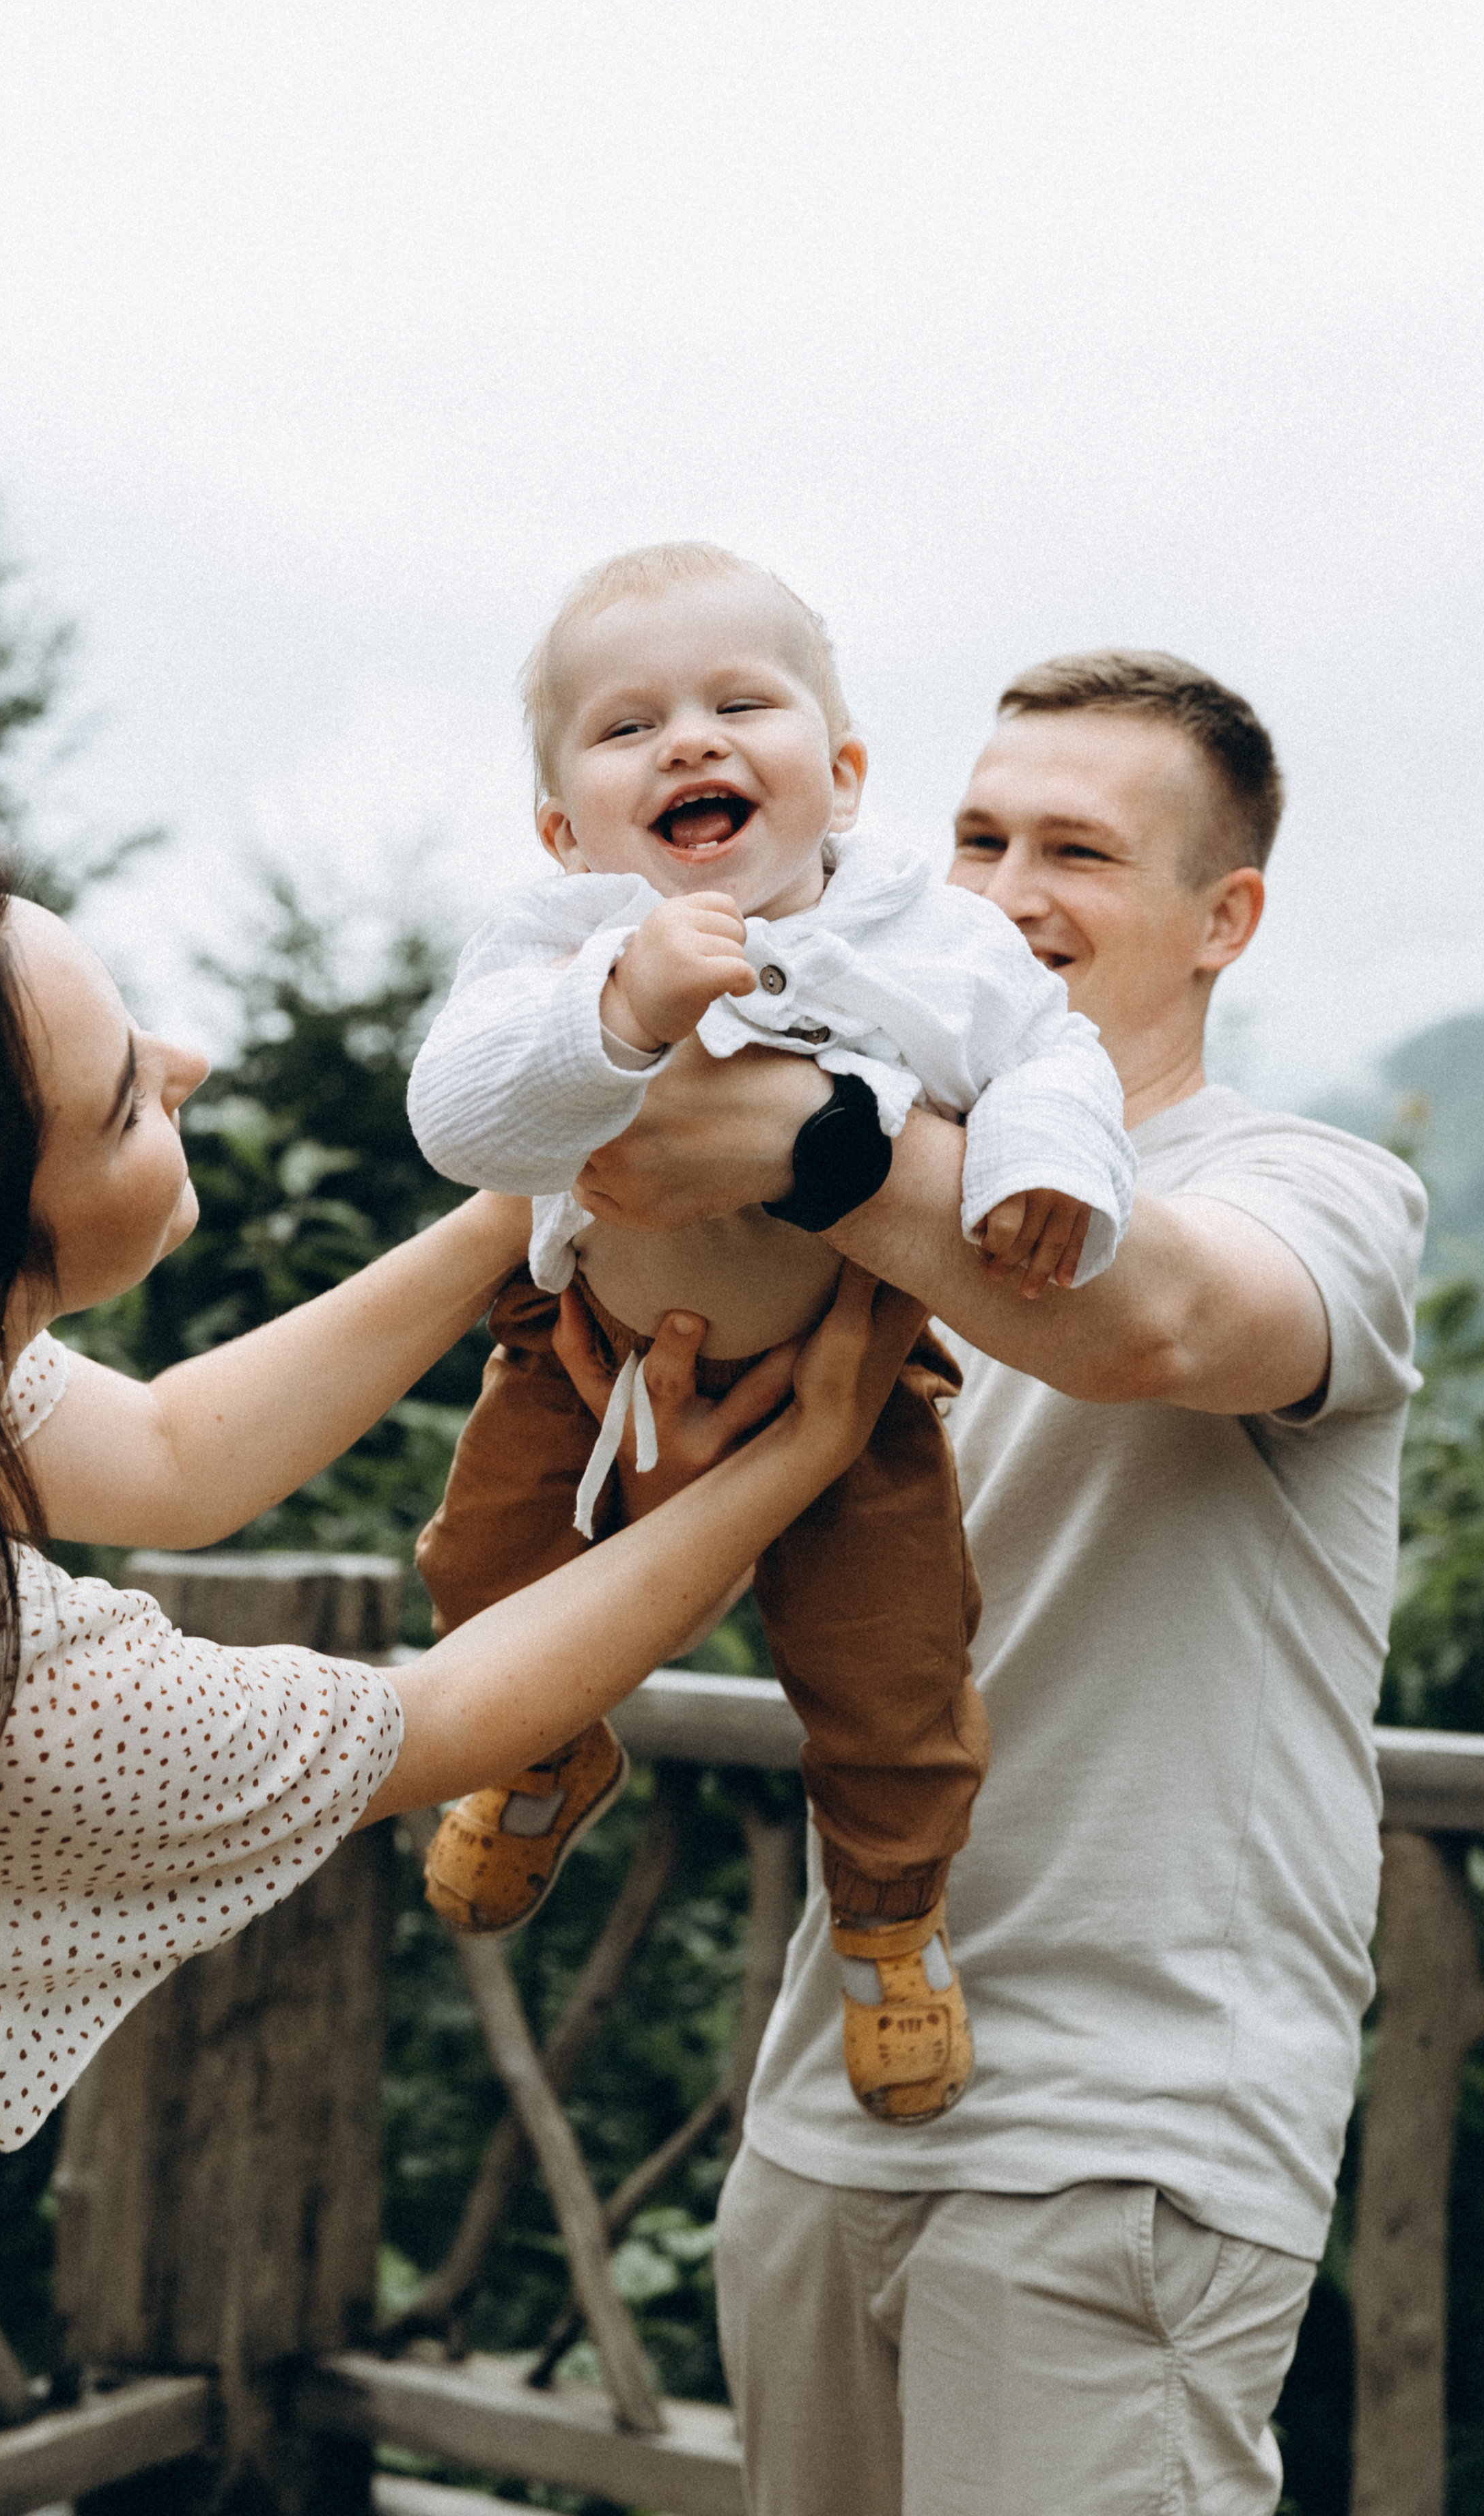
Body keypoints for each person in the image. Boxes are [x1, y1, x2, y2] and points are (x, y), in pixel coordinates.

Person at [570, 650, 1428, 2515]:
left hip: (1131, 2134)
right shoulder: (863, 1241)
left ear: (1226, 921)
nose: (1008, 890)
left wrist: (815, 1146)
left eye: (1081, 851)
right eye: (975, 835)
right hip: (823, 2107)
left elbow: (1154, 1323)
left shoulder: (1319, 1191)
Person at [0, 844, 919, 2187]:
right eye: (125, 1101)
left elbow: (178, 1460)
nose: (187, 1063)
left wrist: (542, 1179)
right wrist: (806, 1447)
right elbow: (445, 1716)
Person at [404, 542, 1136, 2126]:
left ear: (844, 773)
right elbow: (455, 1118)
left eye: (743, 702)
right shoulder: (554, 942)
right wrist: (613, 1010)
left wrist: (1042, 1160)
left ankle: (886, 1925)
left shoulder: (928, 940)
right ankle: (537, 1753)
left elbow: (1050, 1058)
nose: (689, 739)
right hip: (581, 1351)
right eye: (626, 728)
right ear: (562, 829)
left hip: (848, 1381)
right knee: (477, 1569)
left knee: (893, 1671)